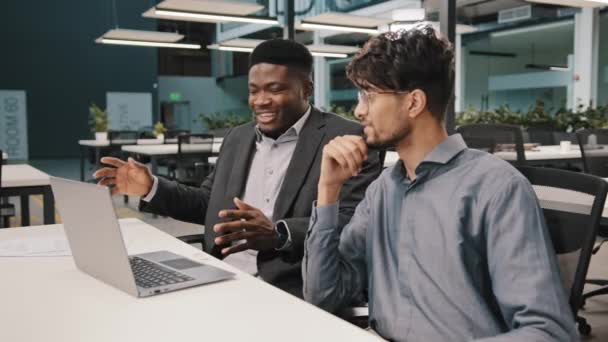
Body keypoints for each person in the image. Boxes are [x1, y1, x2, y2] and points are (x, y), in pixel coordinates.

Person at [302, 26, 577, 340]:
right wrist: (327, 192)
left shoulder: (496, 189)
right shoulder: (382, 190)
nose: (359, 110)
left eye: (370, 95)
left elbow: (548, 332)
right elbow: (323, 296)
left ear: (414, 103)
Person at [94, 38, 381, 297]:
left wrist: (278, 234)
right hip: (219, 276)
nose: (260, 101)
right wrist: (151, 187)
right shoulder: (237, 137)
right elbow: (208, 204)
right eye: (254, 91)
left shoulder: (348, 139)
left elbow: (350, 221)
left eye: (275, 89)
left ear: (306, 89)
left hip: (288, 287)